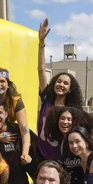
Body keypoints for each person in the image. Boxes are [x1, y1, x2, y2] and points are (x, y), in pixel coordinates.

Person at [35, 18, 86, 163]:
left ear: (70, 89)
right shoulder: (47, 99)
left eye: (65, 83)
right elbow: (41, 70)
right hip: (42, 156)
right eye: (59, 81)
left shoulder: (72, 110)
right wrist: (41, 44)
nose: (61, 85)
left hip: (62, 161)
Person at [41, 106, 93, 184]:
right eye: (62, 118)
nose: (65, 122)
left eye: (69, 119)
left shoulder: (81, 138)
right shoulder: (60, 141)